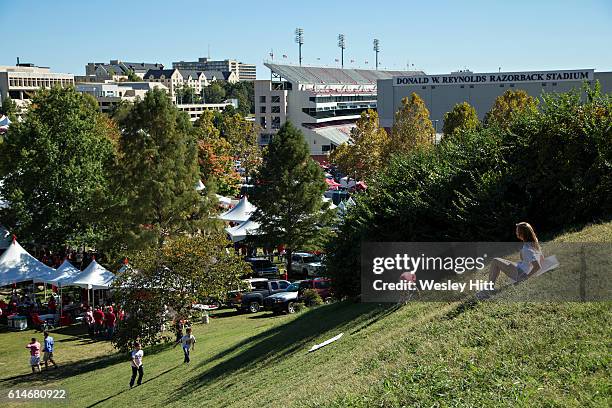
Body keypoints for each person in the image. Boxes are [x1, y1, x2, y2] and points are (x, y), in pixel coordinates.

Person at [487, 222, 544, 290]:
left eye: (517, 231)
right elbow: (542, 258)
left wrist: (527, 277)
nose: (516, 232)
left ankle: (488, 288)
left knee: (495, 261)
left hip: (521, 273)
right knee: (499, 261)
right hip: (521, 268)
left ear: (521, 233)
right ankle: (489, 286)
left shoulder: (527, 249)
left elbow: (537, 266)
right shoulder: (534, 244)